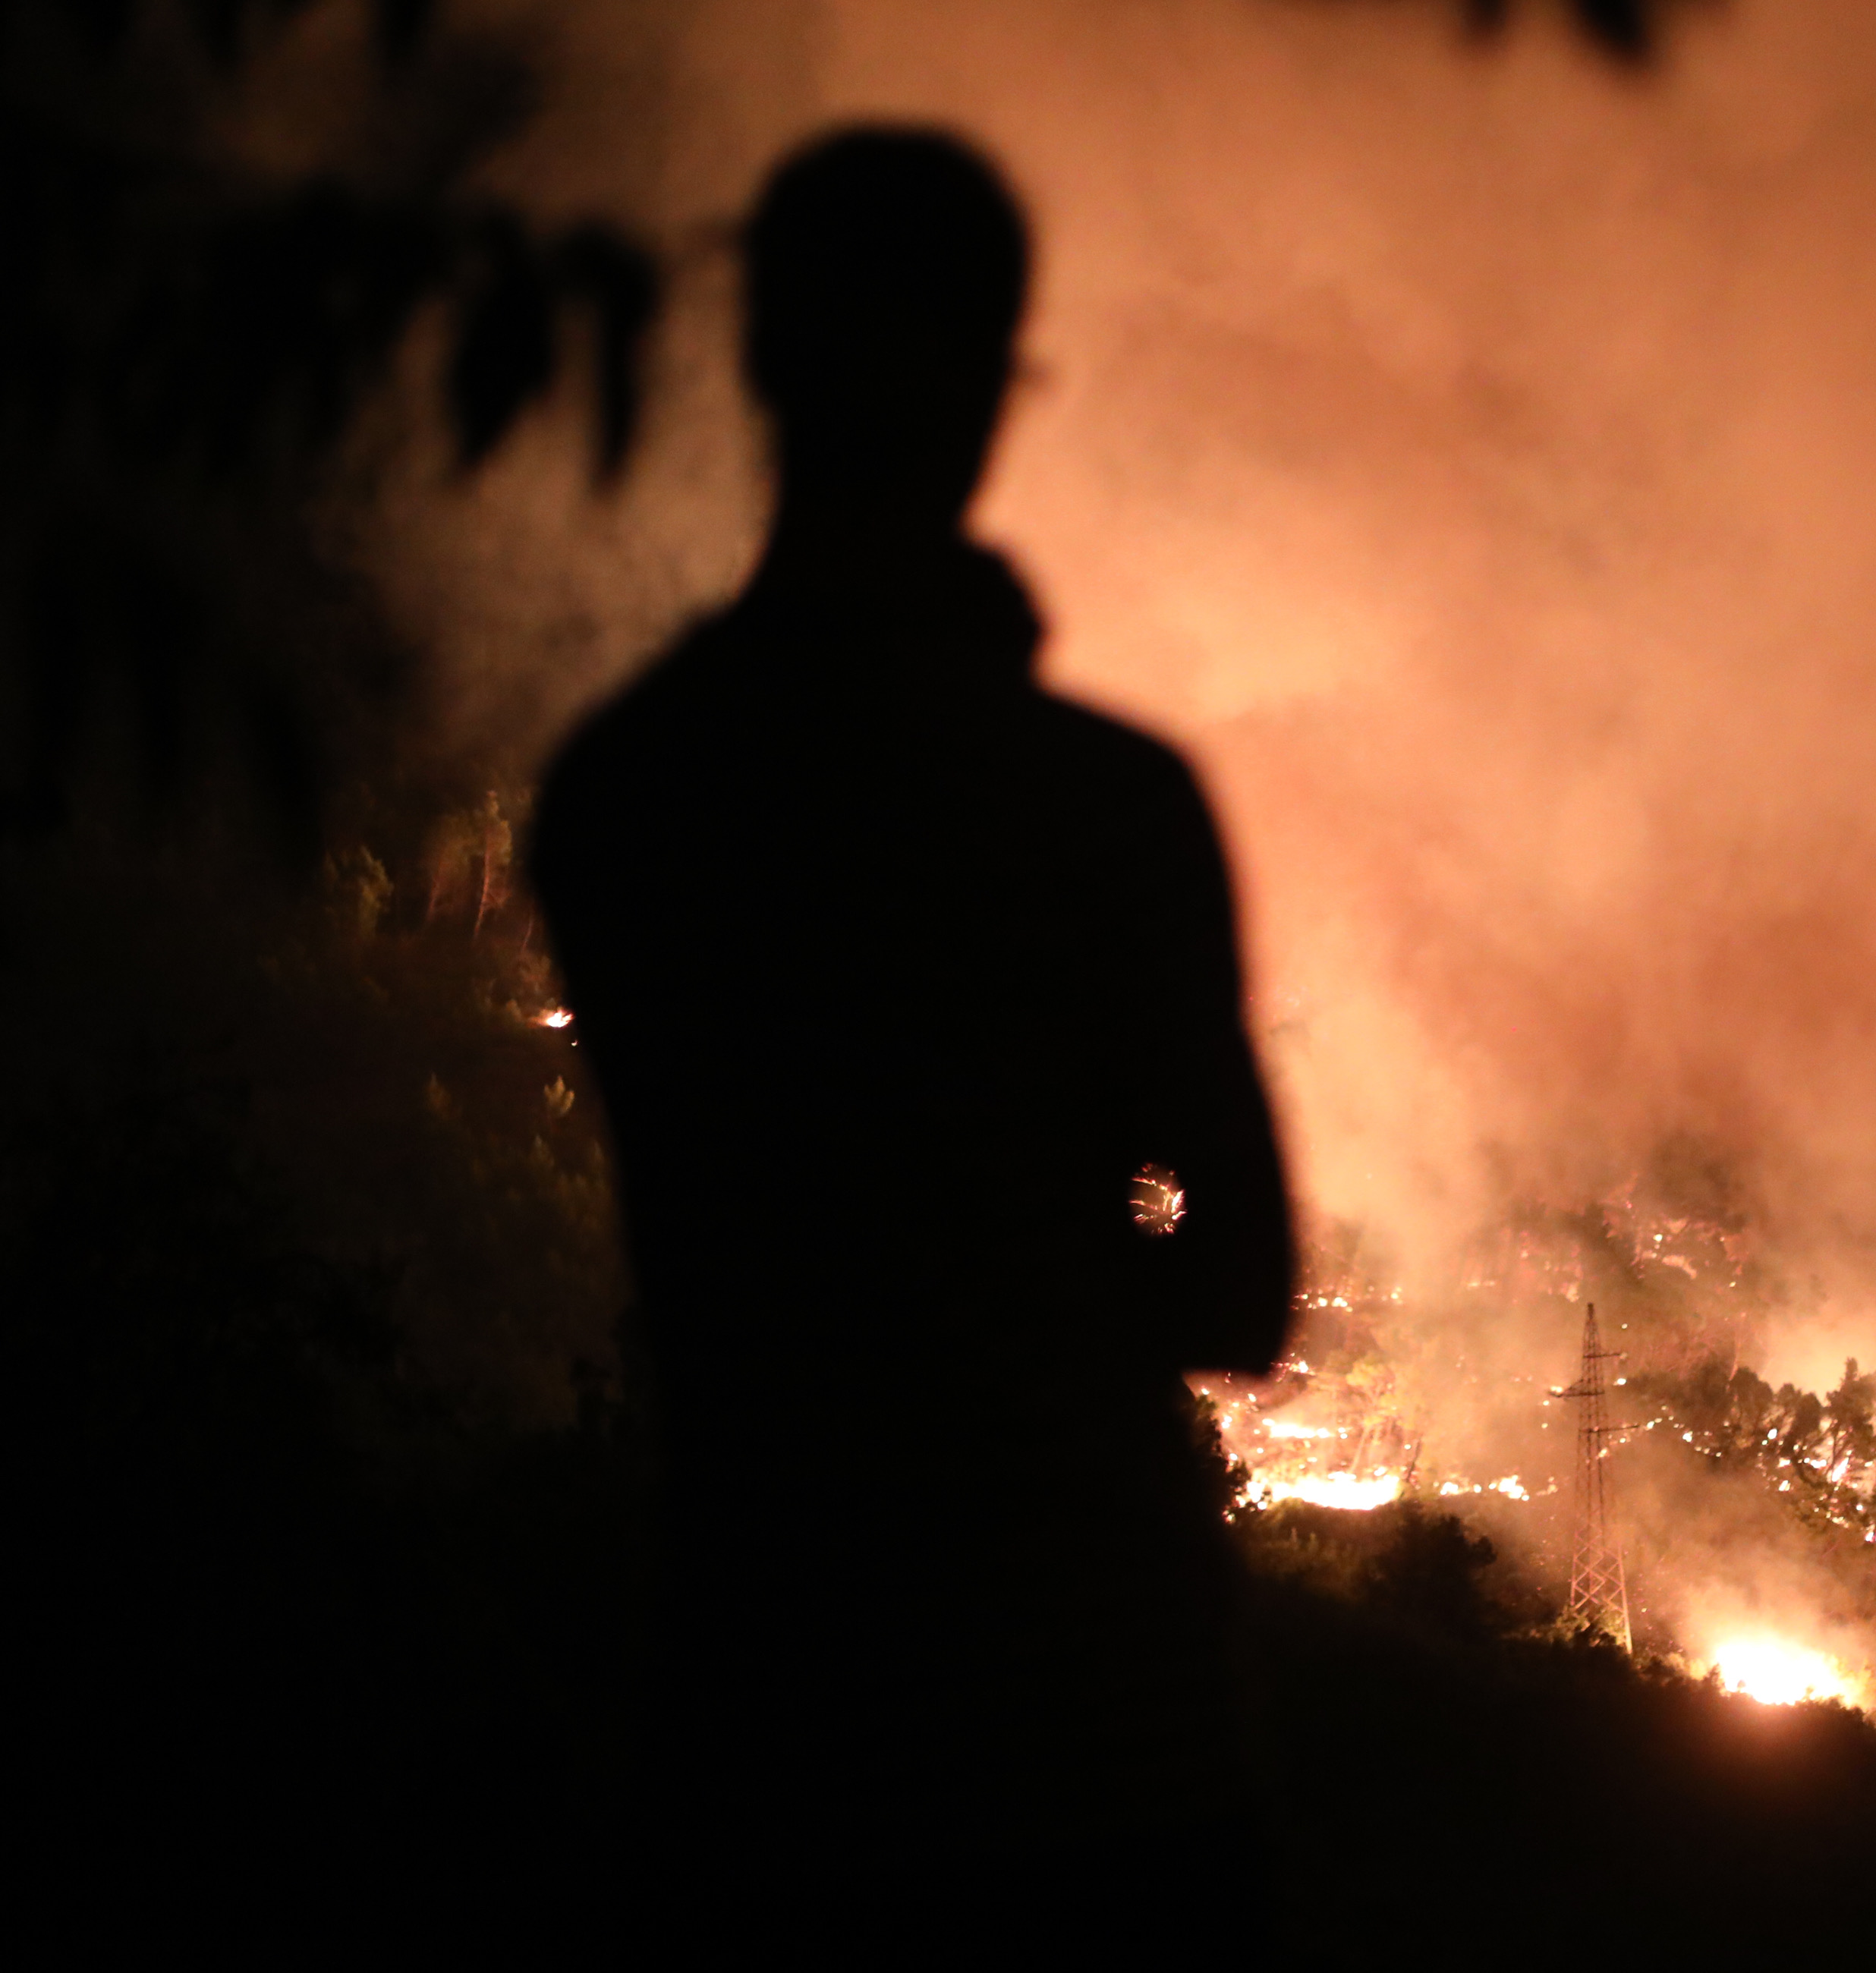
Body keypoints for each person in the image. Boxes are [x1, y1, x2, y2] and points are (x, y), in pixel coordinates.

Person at [528, 128, 1294, 1943]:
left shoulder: (627, 792)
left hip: (764, 1744)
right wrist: (1074, 1200)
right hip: (1098, 1756)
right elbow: (1239, 1290)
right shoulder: (1109, 810)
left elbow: (747, 1242)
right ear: (991, 391)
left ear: (760, 360)